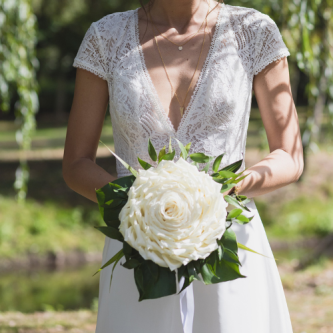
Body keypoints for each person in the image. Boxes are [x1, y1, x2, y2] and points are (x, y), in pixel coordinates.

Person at [62, 0, 304, 332]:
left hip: (228, 242)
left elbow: (290, 155)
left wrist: (232, 188)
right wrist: (138, 205)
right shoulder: (106, 36)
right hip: (138, 246)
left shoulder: (254, 31)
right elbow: (76, 163)